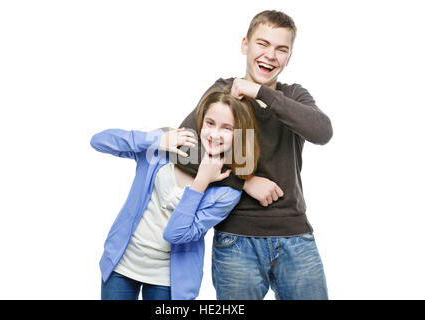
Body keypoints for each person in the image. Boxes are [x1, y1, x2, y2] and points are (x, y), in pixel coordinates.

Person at [177, 10, 333, 300]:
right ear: (245, 45)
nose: (271, 55)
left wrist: (261, 92)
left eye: (281, 49)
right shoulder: (224, 92)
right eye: (263, 44)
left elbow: (322, 132)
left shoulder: (294, 95)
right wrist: (243, 181)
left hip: (295, 236)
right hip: (237, 239)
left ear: (289, 56)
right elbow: (182, 149)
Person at [90, 85, 259, 300]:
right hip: (121, 265)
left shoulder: (227, 191)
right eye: (210, 123)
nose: (215, 134)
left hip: (169, 280)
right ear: (200, 121)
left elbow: (175, 234)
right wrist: (157, 140)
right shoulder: (164, 146)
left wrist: (201, 182)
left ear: (240, 134)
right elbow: (99, 141)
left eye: (227, 128)